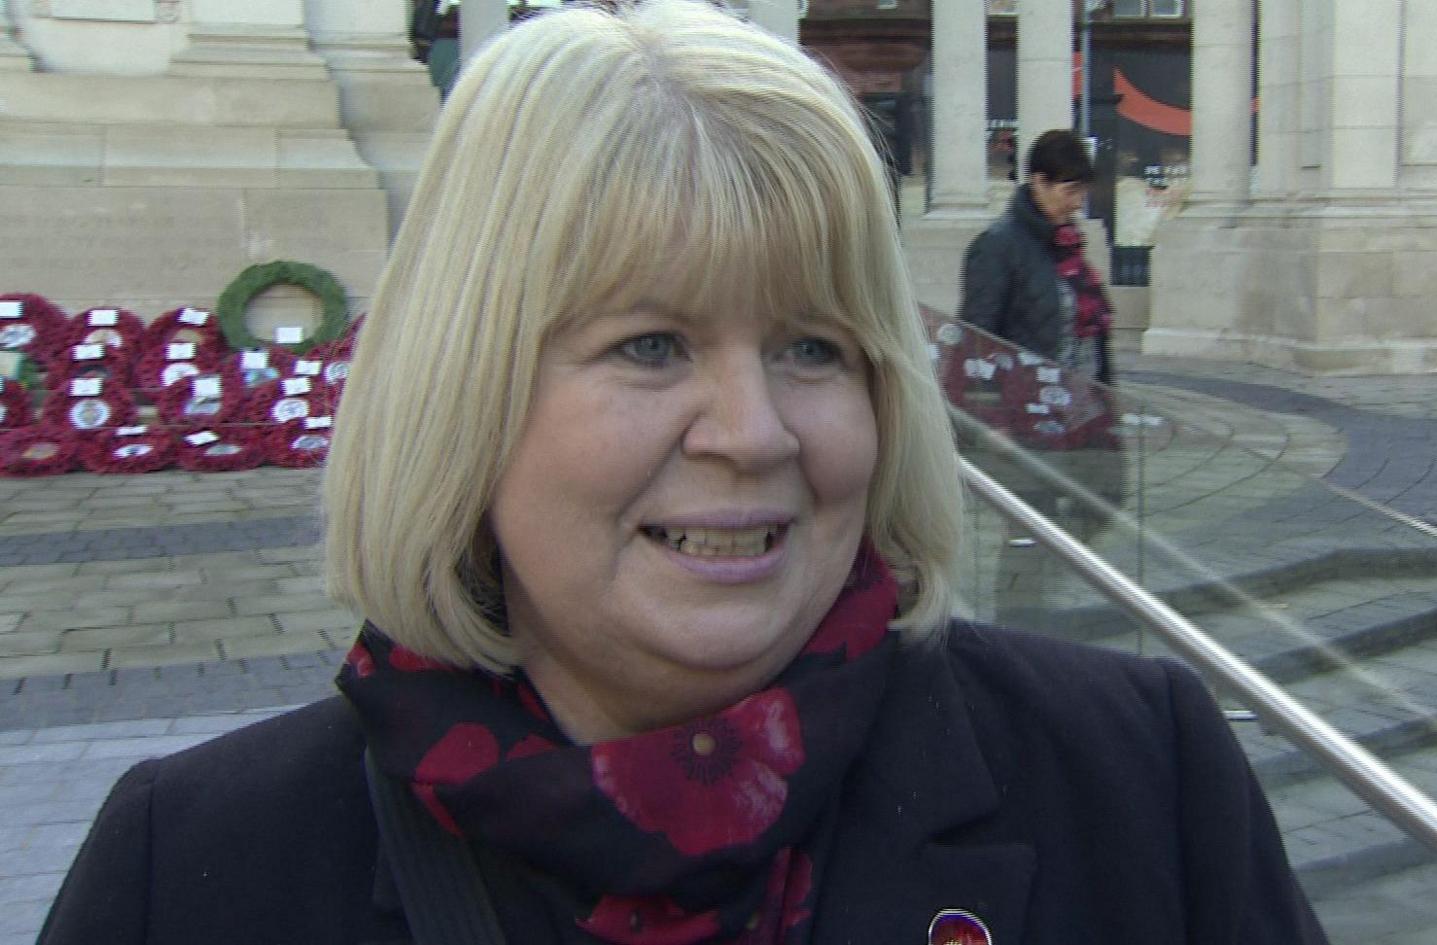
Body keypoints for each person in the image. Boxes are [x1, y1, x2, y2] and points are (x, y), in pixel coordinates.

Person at [37, 4, 1326, 943]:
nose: (753, 432)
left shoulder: (1139, 780)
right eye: (650, 345)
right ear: (461, 387)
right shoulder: (195, 872)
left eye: (813, 346)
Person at [959, 128, 1114, 386]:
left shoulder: (1067, 245)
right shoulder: (996, 246)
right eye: (1071, 191)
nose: (1078, 203)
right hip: (1029, 405)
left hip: (1083, 405)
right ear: (1040, 182)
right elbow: (977, 340)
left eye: (1082, 191)